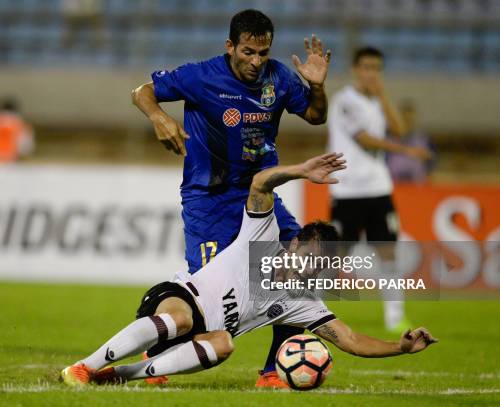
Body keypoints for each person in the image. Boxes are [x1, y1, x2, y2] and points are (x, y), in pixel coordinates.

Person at [59, 153, 437, 386]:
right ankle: (83, 367)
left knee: (225, 344)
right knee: (182, 318)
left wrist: (400, 349)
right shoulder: (264, 236)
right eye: (312, 253)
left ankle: (118, 376)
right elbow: (259, 184)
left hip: (199, 339)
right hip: (176, 298)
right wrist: (301, 171)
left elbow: (350, 340)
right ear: (295, 243)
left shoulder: (302, 301)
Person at [132, 9, 331, 387]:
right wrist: (159, 116)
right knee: (208, 296)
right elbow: (140, 91)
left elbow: (316, 115)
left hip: (259, 195)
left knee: (302, 264)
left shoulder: (279, 78)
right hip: (209, 199)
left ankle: (275, 368)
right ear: (230, 47)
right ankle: (159, 352)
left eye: (263, 53)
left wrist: (317, 86)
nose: (256, 61)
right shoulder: (202, 76)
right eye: (247, 52)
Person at [326, 47, 431, 333]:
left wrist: (383, 96)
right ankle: (314, 312)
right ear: (355, 69)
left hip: (378, 189)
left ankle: (395, 318)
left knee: (388, 253)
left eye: (376, 68)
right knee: (336, 256)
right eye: (366, 67)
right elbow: (366, 140)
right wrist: (407, 150)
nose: (371, 73)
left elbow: (397, 129)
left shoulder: (375, 102)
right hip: (347, 190)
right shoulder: (344, 101)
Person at [386, 101, 434, 183]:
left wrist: (429, 175)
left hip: (416, 183)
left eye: (410, 119)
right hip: (393, 182)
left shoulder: (423, 138)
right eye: (404, 119)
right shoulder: (387, 138)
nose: (407, 122)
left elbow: (430, 161)